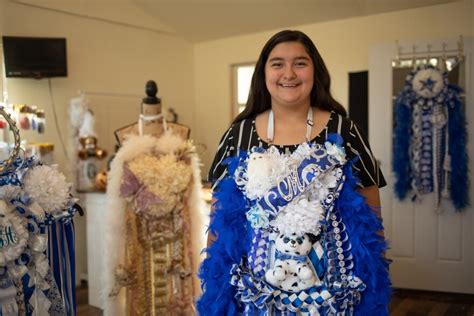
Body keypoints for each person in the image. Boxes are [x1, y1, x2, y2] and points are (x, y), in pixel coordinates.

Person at [197, 30, 390, 315]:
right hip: (255, 296)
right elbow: (220, 217)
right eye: (277, 63)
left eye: (300, 62)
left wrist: (376, 279)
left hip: (333, 294)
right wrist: (214, 285)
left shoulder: (345, 131)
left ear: (315, 70)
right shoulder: (237, 136)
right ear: (264, 73)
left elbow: (371, 213)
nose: (289, 73)